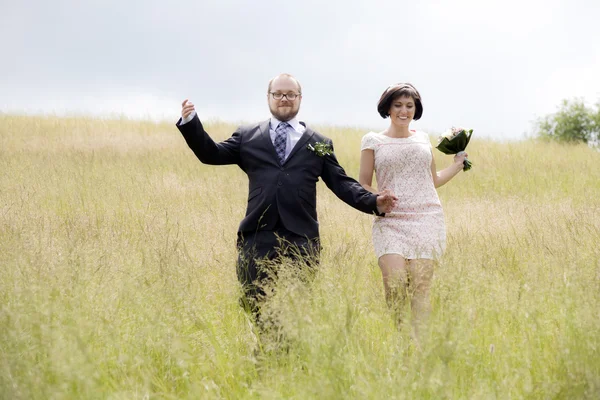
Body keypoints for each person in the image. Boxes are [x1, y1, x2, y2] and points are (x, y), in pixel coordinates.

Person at [176, 73, 398, 319]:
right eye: (278, 94)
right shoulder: (248, 136)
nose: (284, 99)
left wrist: (373, 202)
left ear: (300, 98)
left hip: (302, 240)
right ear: (269, 98)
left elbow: (341, 183)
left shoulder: (319, 143)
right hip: (256, 238)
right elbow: (211, 154)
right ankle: (263, 356)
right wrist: (191, 122)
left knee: (295, 314)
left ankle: (289, 356)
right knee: (256, 311)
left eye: (290, 94)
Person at [358, 83, 468, 339]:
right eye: (398, 105)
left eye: (409, 106)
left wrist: (457, 165)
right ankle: (400, 340)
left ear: (416, 109)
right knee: (395, 286)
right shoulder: (372, 140)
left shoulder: (423, 139)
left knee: (420, 289)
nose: (404, 111)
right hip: (391, 220)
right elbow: (363, 182)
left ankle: (420, 348)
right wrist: (378, 196)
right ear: (388, 107)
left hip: (426, 219)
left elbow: (433, 180)